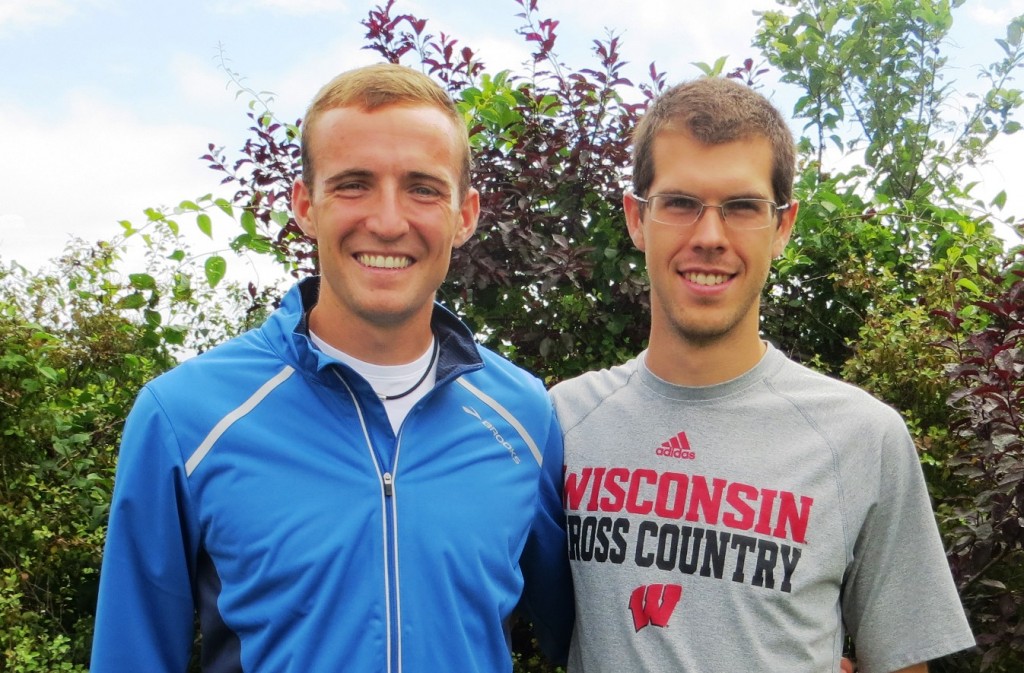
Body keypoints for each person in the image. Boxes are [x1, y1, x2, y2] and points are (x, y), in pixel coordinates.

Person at [90, 63, 572, 672]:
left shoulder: (525, 415)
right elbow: (129, 657)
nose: (389, 221)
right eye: (353, 185)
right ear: (305, 205)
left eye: (423, 188)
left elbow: (588, 636)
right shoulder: (184, 417)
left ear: (465, 214)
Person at [551, 77, 976, 673]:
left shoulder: (863, 436)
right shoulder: (560, 423)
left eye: (743, 207)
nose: (709, 237)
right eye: (679, 203)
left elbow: (902, 661)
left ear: (782, 226)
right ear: (637, 219)